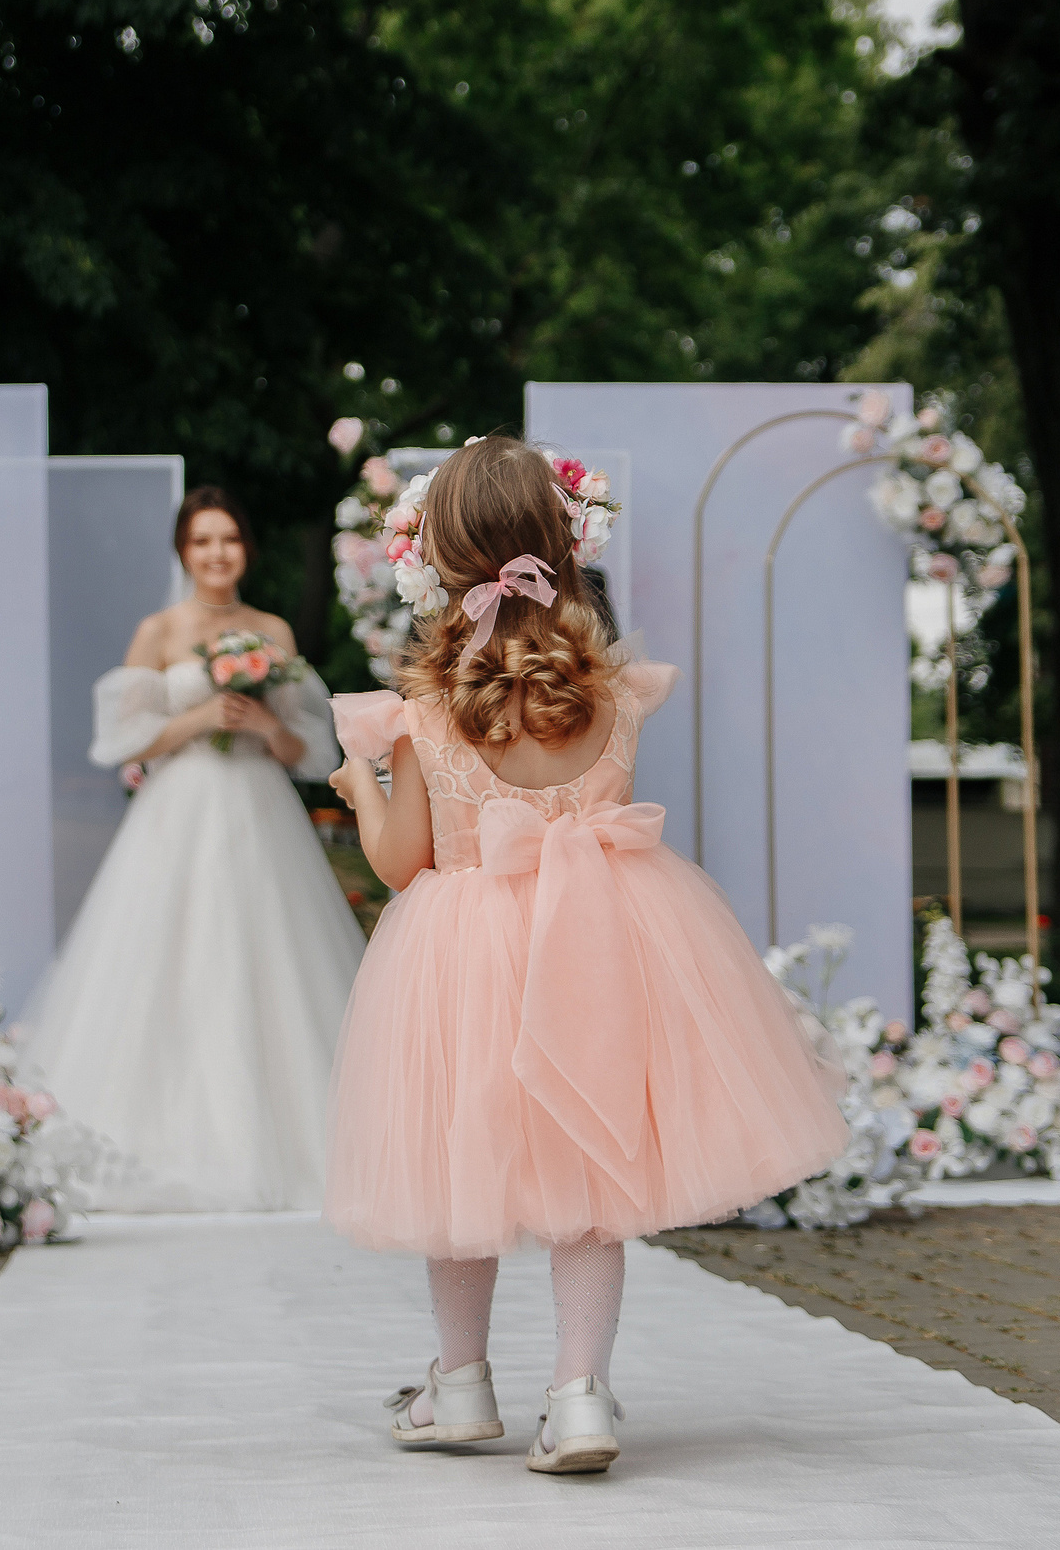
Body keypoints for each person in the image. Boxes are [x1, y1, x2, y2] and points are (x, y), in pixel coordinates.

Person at [325, 436, 849, 1475]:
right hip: (596, 945)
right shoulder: (610, 692)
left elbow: (399, 866)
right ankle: (578, 1399)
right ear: (561, 544)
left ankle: (461, 1383)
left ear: (438, 552)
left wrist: (360, 785)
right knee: (589, 1163)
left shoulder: (430, 714)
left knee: (459, 1162)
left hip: (463, 960)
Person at [21, 486, 365, 1210]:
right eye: (203, 540)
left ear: (247, 549)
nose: (217, 553)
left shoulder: (272, 628)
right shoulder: (160, 630)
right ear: (184, 549)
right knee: (163, 955)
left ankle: (291, 1139)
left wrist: (264, 726)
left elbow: (305, 748)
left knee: (266, 951)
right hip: (179, 809)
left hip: (258, 803)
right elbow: (122, 740)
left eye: (229, 539)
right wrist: (203, 715)